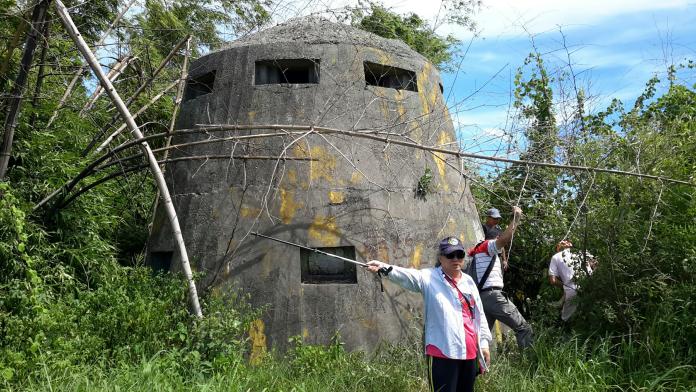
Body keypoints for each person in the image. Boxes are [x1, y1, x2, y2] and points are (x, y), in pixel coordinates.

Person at [367, 237, 492, 392]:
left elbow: (479, 315)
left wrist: (484, 345)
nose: (456, 259)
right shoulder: (429, 277)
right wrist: (383, 267)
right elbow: (407, 275)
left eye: (459, 255)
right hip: (443, 353)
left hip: (470, 353)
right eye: (450, 255)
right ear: (440, 257)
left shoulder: (468, 281)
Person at [468, 206, 532, 349]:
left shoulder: (476, 253)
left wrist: (503, 259)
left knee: (481, 339)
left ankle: (474, 369)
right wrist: (516, 219)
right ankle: (530, 367)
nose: (498, 237)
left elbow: (501, 245)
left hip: (482, 299)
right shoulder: (486, 247)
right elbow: (503, 241)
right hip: (493, 297)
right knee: (524, 328)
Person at [548, 240, 597, 321]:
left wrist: (565, 286)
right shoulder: (581, 252)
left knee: (568, 319)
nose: (566, 241)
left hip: (572, 290)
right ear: (558, 247)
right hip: (591, 285)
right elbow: (595, 264)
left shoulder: (557, 257)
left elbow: (553, 281)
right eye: (563, 241)